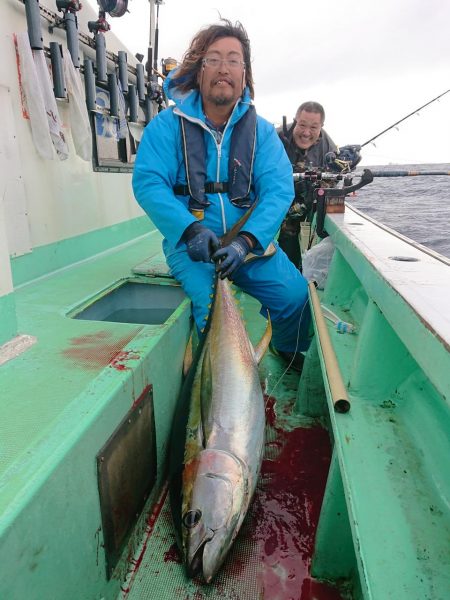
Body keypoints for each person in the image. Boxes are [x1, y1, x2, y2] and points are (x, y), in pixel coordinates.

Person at [132, 20, 311, 370]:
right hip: (193, 247)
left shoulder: (261, 132)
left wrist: (246, 241)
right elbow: (149, 183)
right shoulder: (166, 126)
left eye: (233, 60)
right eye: (213, 59)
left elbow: (278, 190)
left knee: (297, 298)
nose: (223, 68)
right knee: (209, 313)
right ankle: (212, 386)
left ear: (244, 74)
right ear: (198, 70)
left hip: (249, 247)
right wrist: (189, 230)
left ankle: (285, 349)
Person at [278, 102, 337, 268]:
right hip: (277, 204)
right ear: (295, 120)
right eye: (302, 125)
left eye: (313, 127)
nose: (306, 133)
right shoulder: (276, 138)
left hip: (308, 207)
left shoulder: (329, 147)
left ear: (321, 127)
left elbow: (334, 181)